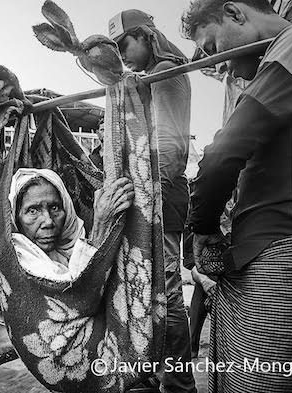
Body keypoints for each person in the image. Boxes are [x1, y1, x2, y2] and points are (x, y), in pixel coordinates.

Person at [182, 1, 292, 392]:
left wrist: (205, 229)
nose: (225, 65)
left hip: (285, 274)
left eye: (215, 48)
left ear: (234, 12)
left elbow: (223, 154)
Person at [108, 10, 196, 393]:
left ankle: (178, 383)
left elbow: (172, 147)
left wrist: (149, 188)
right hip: (149, 190)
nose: (121, 54)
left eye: (124, 44)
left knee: (167, 288)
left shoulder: (166, 72)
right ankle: (155, 370)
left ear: (145, 36)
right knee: (146, 285)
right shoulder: (145, 78)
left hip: (161, 190)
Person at [9, 168, 133, 277]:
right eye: (33, 211)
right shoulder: (17, 259)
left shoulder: (74, 243)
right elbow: (75, 293)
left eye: (54, 208)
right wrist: (101, 223)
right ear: (16, 217)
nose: (48, 222)